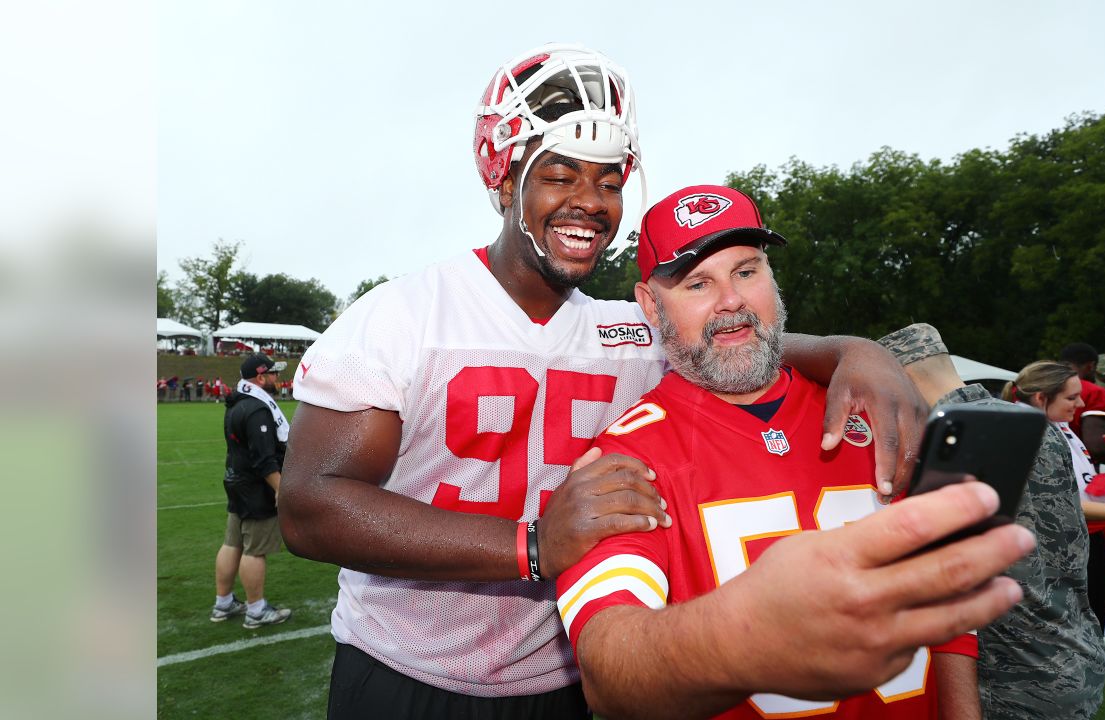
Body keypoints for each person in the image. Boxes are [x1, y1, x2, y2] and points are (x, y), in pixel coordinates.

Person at [280, 44, 967, 720]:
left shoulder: (629, 331)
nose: (589, 202)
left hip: (562, 680)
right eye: (560, 175)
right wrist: (531, 547)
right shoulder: (403, 316)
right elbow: (311, 507)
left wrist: (856, 351)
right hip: (407, 671)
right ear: (502, 175)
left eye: (608, 183)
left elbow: (742, 339)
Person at [553, 188, 1030, 720]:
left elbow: (944, 594)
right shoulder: (625, 455)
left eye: (747, 271)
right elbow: (609, 671)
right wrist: (744, 637)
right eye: (698, 283)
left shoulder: (874, 408)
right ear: (649, 304)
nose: (731, 301)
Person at [877, 324, 1105, 719]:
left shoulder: (953, 444)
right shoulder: (1027, 424)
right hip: (1072, 652)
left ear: (902, 379)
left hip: (1014, 673)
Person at [1004, 361, 1105, 650]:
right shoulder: (1033, 433)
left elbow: (1075, 485)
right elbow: (1062, 503)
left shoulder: (1053, 425)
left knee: (1089, 621)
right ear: (1041, 398)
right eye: (1071, 398)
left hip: (1080, 537)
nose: (1080, 403)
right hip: (1057, 544)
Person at [211, 352, 293, 629]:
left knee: (232, 543)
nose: (277, 379)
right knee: (254, 550)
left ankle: (223, 603)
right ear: (261, 376)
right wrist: (280, 489)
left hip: (236, 480)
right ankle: (256, 610)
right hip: (255, 487)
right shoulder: (257, 408)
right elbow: (263, 459)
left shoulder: (236, 403)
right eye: (273, 374)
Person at [1060, 342, 1105, 470]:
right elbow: (1096, 446)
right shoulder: (1094, 391)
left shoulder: (1034, 387)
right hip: (1079, 470)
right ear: (1091, 366)